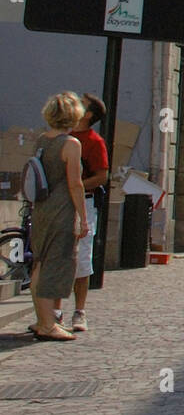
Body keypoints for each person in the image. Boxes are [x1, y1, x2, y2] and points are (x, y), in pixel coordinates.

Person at [28, 92, 89, 341]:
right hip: (61, 210)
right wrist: (83, 218)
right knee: (55, 265)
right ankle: (47, 325)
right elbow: (75, 184)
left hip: (41, 208)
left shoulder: (42, 140)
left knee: (40, 265)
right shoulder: (70, 144)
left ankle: (43, 319)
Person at [52, 91, 109, 333]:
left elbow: (101, 175)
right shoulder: (61, 136)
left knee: (81, 259)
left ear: (88, 115)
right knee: (57, 256)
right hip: (58, 201)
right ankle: (55, 311)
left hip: (83, 202)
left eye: (81, 105)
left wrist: (76, 185)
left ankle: (80, 310)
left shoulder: (94, 141)